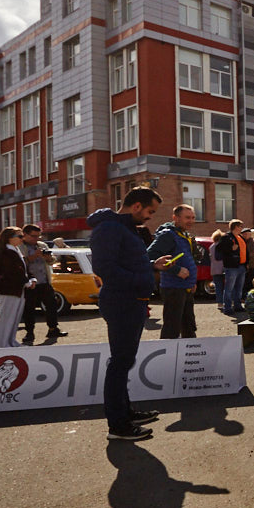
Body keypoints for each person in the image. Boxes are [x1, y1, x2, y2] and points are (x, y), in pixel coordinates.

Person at [89, 187, 173, 441]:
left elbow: (123, 262)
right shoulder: (110, 228)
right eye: (150, 211)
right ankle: (118, 426)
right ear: (136, 205)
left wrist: (151, 266)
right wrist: (142, 278)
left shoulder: (122, 228)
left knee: (124, 362)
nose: (150, 217)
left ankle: (125, 413)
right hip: (122, 302)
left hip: (131, 301)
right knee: (119, 363)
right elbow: (104, 268)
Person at [147, 204, 198, 339]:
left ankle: (190, 357)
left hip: (185, 288)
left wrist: (191, 281)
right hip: (173, 288)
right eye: (187, 217)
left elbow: (186, 259)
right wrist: (175, 270)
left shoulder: (183, 234)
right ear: (175, 218)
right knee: (172, 328)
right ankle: (167, 358)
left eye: (193, 217)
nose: (191, 221)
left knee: (189, 326)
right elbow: (149, 257)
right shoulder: (167, 235)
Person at [20, 224, 66, 343]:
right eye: (33, 236)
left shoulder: (42, 245)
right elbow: (19, 263)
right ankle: (29, 333)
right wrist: (33, 256)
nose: (36, 239)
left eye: (38, 236)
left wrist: (48, 257)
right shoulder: (20, 246)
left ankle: (53, 328)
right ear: (24, 235)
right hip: (29, 283)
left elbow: (52, 261)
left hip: (44, 281)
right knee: (29, 308)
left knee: (51, 305)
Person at [0, 227, 36, 348]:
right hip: (8, 289)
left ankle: (11, 342)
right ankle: (2, 344)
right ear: (9, 238)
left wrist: (31, 279)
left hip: (16, 289)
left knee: (14, 318)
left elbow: (23, 269)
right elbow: (12, 271)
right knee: (6, 318)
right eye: (20, 236)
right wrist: (27, 281)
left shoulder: (15, 250)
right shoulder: (5, 252)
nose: (22, 239)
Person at [218, 219, 247, 315]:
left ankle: (238, 306)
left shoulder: (240, 238)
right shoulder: (226, 237)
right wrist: (230, 249)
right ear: (235, 227)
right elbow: (219, 250)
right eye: (240, 226)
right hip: (231, 267)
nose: (241, 228)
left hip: (241, 266)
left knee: (239, 288)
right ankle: (228, 307)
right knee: (229, 288)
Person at [209, 229, 225, 311]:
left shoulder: (211, 247)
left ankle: (220, 303)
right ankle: (227, 302)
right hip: (223, 268)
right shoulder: (222, 246)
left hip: (214, 269)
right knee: (226, 287)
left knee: (218, 287)